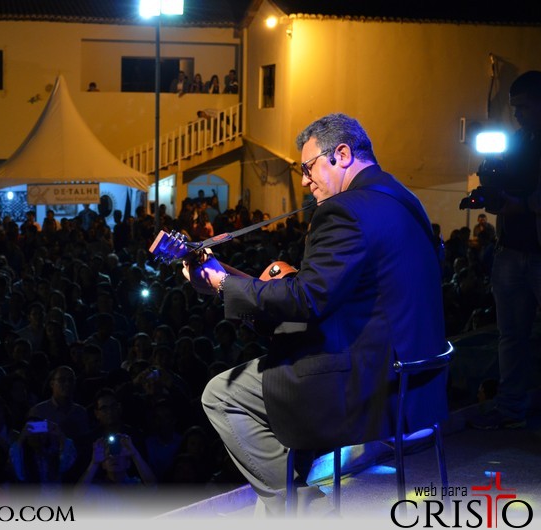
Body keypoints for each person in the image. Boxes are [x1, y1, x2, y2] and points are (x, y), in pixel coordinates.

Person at [181, 113, 447, 515]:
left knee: (222, 394)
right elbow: (368, 288)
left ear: (342, 154)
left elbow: (307, 300)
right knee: (284, 370)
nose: (305, 181)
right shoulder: (402, 197)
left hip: (373, 385)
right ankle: (286, 502)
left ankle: (307, 511)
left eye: (308, 168)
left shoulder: (344, 209)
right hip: (422, 377)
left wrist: (221, 284)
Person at [468, 71, 541, 430]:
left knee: (515, 336)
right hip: (510, 249)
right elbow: (500, 187)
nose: (518, 115)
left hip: (536, 251)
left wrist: (520, 204)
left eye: (524, 107)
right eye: (515, 109)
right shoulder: (516, 142)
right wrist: (491, 192)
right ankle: (511, 406)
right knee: (510, 335)